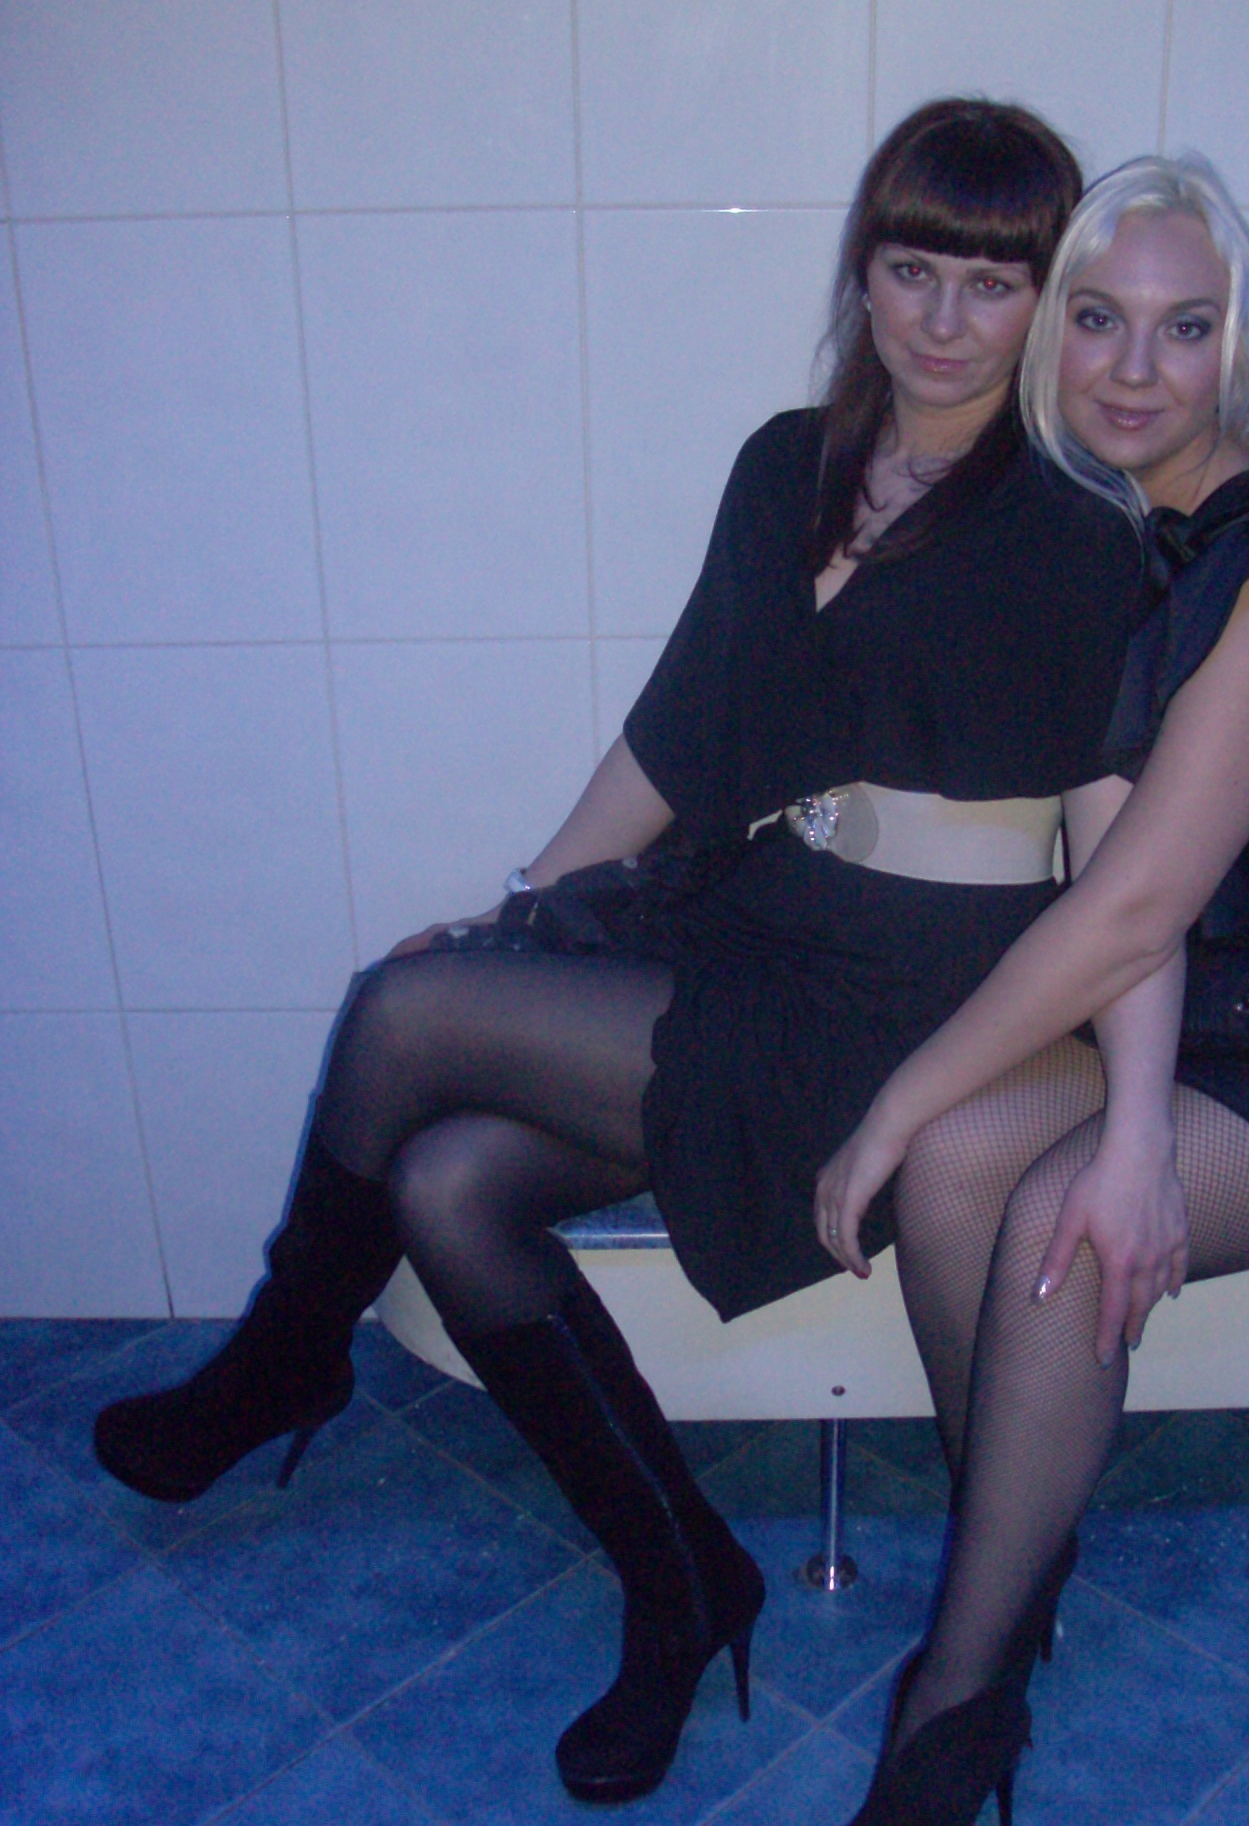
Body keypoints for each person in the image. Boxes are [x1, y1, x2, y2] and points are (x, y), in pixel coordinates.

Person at [92, 99, 1151, 1806]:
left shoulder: (1078, 528)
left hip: (917, 997)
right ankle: (683, 1588)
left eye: (994, 282)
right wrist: (529, 907)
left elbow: (1126, 867)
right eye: (912, 270)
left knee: (405, 1013)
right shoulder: (786, 464)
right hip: (757, 918)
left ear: (1045, 299)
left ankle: (286, 1357)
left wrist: (1131, 1108)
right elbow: (677, 731)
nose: (946, 321)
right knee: (445, 1184)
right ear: (863, 272)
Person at [813, 153, 1249, 1826]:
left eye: (1187, 327)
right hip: (1223, 988)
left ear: (1241, 351)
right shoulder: (1103, 546)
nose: (1136, 368)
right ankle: (1019, 1556)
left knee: (1053, 1221)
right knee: (963, 1164)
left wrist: (902, 1105)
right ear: (1052, 338)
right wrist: (1078, 1112)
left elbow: (1134, 902)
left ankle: (957, 1704)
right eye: (1099, 319)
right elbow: (1111, 877)